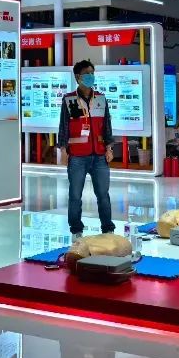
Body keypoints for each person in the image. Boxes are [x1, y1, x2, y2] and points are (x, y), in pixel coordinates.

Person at [57, 60, 116, 242]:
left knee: (103, 195)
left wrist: (109, 148)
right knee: (75, 195)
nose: (91, 76)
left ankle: (108, 229)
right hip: (77, 156)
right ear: (78, 77)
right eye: (87, 73)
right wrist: (63, 150)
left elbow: (107, 125)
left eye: (92, 73)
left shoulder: (100, 98)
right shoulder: (69, 100)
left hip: (99, 155)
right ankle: (76, 230)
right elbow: (64, 127)